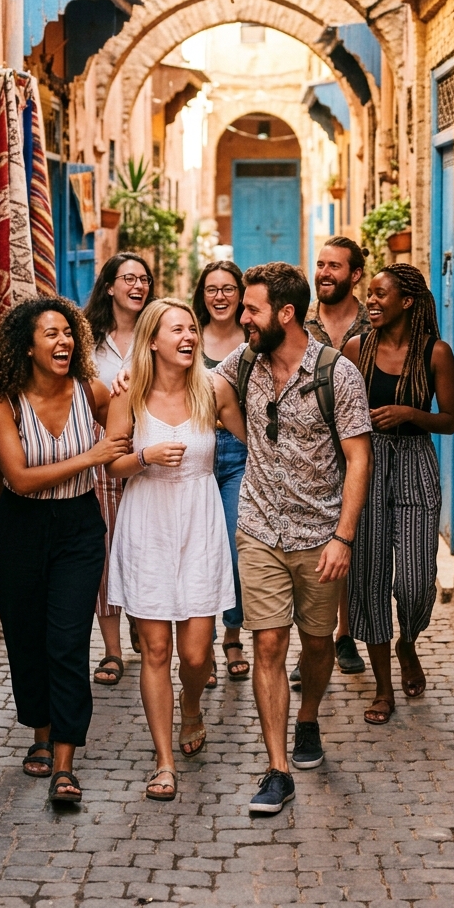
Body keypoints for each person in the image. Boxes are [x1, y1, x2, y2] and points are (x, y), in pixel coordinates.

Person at [213, 263, 373, 815]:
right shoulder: (246, 360)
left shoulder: (337, 374)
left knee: (319, 642)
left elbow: (358, 458)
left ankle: (309, 720)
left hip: (318, 536)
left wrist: (343, 538)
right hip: (258, 527)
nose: (243, 318)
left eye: (252, 309)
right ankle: (277, 768)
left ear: (284, 314)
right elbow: (202, 383)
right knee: (268, 644)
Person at [0, 296, 130, 803]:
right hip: (20, 529)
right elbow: (19, 478)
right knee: (26, 638)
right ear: (28, 347)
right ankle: (40, 736)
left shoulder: (89, 390)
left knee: (68, 641)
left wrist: (128, 400)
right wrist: (89, 456)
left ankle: (65, 762)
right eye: (51, 334)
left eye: (68, 333)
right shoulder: (4, 398)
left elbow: (123, 427)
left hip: (77, 527)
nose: (63, 341)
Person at [105, 299, 239, 801]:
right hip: (149, 527)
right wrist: (145, 456)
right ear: (153, 341)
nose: (188, 336)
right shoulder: (130, 395)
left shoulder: (213, 388)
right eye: (176, 329)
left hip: (200, 526)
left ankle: (192, 706)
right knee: (156, 650)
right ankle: (163, 761)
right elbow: (110, 464)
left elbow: (255, 443)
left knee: (197, 653)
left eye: (191, 329)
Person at [342, 263, 454, 726]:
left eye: (379, 295)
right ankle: (383, 687)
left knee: (414, 579)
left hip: (415, 464)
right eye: (368, 294)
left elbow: (450, 419)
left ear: (406, 302)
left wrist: (411, 412)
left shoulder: (436, 353)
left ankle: (408, 640)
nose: (370, 301)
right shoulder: (355, 349)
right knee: (369, 578)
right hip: (366, 467)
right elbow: (339, 414)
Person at [83, 252, 155, 686]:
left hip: (152, 457)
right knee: (107, 549)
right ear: (109, 286)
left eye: (144, 279)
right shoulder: (88, 341)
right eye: (128, 278)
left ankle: (146, 629)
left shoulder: (158, 333)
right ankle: (112, 651)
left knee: (146, 548)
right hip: (106, 457)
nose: (138, 285)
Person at [302, 236, 372, 680]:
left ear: (355, 274)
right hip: (310, 450)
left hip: (362, 445)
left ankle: (346, 634)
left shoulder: (376, 319)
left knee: (352, 540)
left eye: (335, 266)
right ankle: (317, 643)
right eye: (321, 264)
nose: (324, 273)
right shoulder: (301, 322)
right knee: (314, 543)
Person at [192, 261, 250, 681]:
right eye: (212, 289)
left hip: (240, 454)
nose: (220, 296)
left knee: (234, 549)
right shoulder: (190, 336)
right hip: (195, 453)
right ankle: (204, 644)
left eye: (228, 288)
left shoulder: (254, 338)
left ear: (240, 293)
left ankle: (232, 632)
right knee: (198, 551)